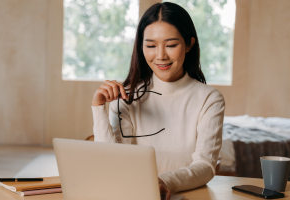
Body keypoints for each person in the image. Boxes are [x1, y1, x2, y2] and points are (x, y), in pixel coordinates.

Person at [91, 2, 225, 200]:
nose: (161, 55)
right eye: (151, 46)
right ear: (141, 46)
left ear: (189, 44)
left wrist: (162, 182)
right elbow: (113, 162)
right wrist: (98, 107)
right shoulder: (127, 96)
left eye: (171, 45)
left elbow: (205, 166)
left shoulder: (209, 99)